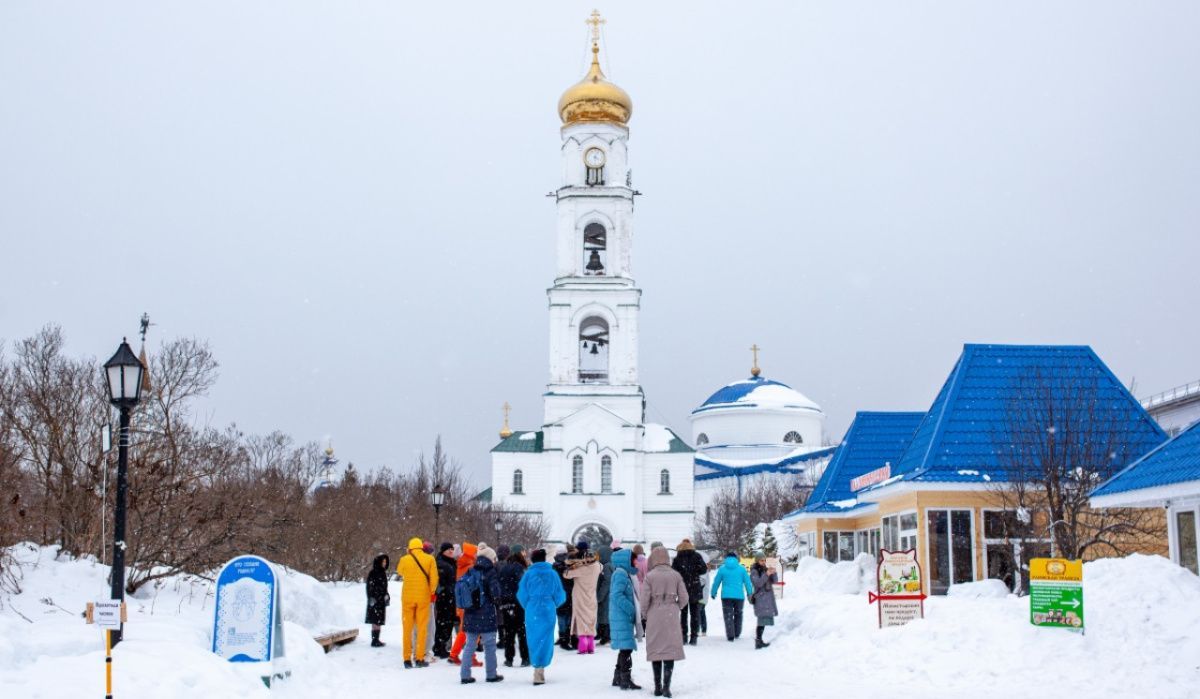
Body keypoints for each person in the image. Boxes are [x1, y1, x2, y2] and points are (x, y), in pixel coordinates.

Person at [641, 546, 688, 698]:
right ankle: (667, 687)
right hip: (671, 614)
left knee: (656, 650)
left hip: (654, 612)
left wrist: (645, 613)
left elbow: (644, 599)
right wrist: (676, 607)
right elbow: (684, 597)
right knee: (669, 650)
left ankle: (657, 687)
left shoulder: (650, 576)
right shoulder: (676, 575)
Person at [517, 548, 566, 686]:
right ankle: (541, 668)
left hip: (532, 609)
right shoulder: (552, 574)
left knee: (533, 637)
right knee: (546, 638)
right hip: (548, 609)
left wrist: (529, 604)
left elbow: (521, 594)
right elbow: (560, 595)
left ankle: (537, 666)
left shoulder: (528, 574)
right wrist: (552, 603)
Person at [457, 544, 504, 684]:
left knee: (470, 645)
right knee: (489, 645)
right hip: (487, 613)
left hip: (470, 613)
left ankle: (465, 675)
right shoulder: (491, 572)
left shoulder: (471, 570)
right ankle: (491, 674)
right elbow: (496, 594)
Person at [396, 537, 439, 668]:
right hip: (423, 598)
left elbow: (400, 571)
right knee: (422, 628)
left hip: (407, 598)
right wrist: (431, 591)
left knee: (407, 629)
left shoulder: (404, 559)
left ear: (410, 548)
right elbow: (434, 578)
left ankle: (407, 659)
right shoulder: (430, 559)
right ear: (421, 547)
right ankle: (420, 658)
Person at [608, 547, 643, 691]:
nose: (637, 562)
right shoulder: (621, 574)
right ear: (627, 560)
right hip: (622, 616)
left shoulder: (623, 573)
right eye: (634, 559)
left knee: (625, 647)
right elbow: (616, 595)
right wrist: (632, 609)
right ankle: (625, 680)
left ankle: (618, 677)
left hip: (621, 616)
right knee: (626, 648)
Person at [563, 540, 602, 654]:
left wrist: (576, 564)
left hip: (580, 598)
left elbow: (566, 574)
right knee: (590, 620)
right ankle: (591, 647)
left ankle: (583, 647)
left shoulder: (579, 569)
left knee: (581, 622)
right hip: (592, 597)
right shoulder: (597, 567)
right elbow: (601, 566)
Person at [450, 543, 483, 667]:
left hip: (462, 603)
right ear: (471, 555)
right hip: (470, 604)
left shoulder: (462, 565)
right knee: (472, 630)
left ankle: (455, 654)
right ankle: (468, 656)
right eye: (475, 553)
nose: (476, 555)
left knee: (465, 630)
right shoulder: (470, 567)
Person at [497, 545, 531, 667]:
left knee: (509, 632)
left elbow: (499, 585)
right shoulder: (520, 568)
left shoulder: (504, 567)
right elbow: (523, 585)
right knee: (522, 632)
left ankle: (509, 658)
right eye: (523, 552)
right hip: (518, 603)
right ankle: (525, 658)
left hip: (506, 603)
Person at [709, 551, 752, 642]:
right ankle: (737, 633)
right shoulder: (742, 569)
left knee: (728, 615)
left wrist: (713, 593)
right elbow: (747, 582)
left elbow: (716, 582)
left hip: (726, 596)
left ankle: (730, 635)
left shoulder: (722, 569)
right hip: (739, 596)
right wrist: (750, 593)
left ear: (726, 558)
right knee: (738, 614)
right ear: (736, 559)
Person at [671, 539, 706, 646]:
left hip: (682, 588)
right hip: (695, 587)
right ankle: (694, 637)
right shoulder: (697, 556)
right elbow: (703, 570)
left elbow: (673, 573)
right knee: (695, 614)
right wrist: (695, 572)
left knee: (683, 614)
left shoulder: (677, 558)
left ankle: (683, 637)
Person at [749, 552, 778, 650]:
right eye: (762, 560)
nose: (763, 562)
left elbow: (775, 581)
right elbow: (758, 583)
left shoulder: (766, 569)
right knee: (761, 620)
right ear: (757, 560)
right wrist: (766, 574)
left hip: (767, 599)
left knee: (763, 621)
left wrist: (774, 572)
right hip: (760, 599)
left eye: (764, 560)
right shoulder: (754, 571)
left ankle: (759, 640)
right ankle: (758, 641)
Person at [433, 542, 458, 658]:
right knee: (444, 622)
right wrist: (447, 590)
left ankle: (440, 646)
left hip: (450, 596)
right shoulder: (441, 563)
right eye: (448, 550)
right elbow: (442, 582)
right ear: (443, 551)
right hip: (444, 597)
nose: (451, 551)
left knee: (446, 622)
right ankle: (440, 646)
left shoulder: (450, 562)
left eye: (452, 550)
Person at [365, 554, 391, 648]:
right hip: (375, 600)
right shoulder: (373, 572)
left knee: (378, 620)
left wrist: (386, 595)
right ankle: (374, 640)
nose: (384, 563)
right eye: (383, 562)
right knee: (375, 620)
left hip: (380, 600)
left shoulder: (382, 572)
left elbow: (384, 587)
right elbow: (369, 586)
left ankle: (376, 639)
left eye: (385, 562)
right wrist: (371, 598)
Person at [552, 548, 576, 650]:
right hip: (570, 594)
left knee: (561, 617)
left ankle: (562, 638)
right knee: (569, 617)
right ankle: (566, 638)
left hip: (559, 595)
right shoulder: (569, 565)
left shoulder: (554, 567)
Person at [596, 545, 613, 645]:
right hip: (609, 595)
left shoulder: (606, 566)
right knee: (606, 616)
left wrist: (599, 596)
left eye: (599, 555)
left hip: (606, 596)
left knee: (605, 616)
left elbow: (607, 582)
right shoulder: (611, 564)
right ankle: (606, 636)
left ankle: (606, 637)